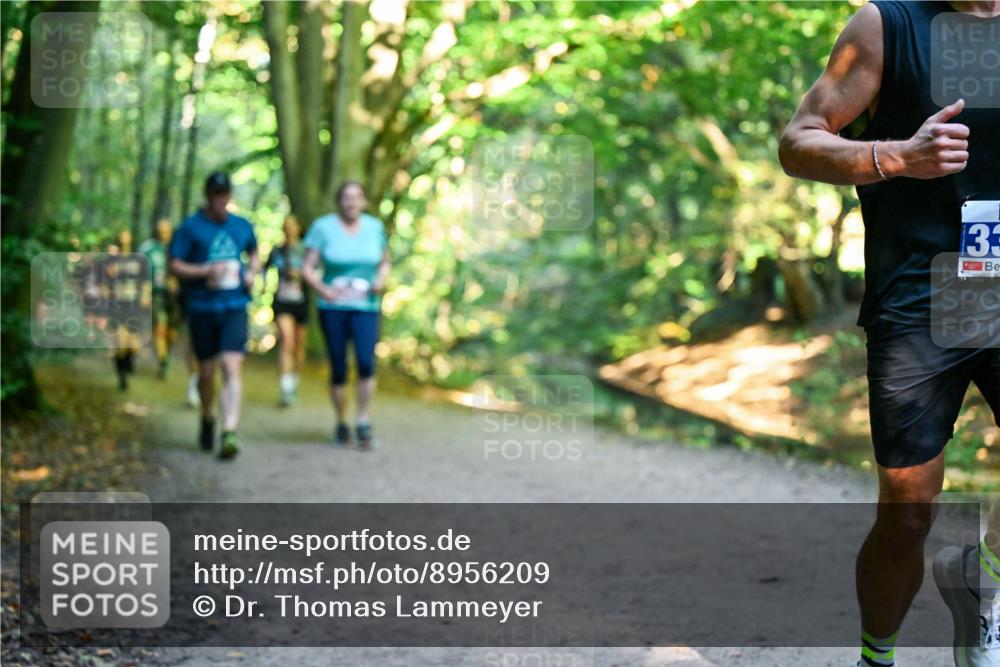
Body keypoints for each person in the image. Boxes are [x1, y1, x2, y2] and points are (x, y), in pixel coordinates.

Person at [779, 2, 1000, 666]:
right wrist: (898, 156)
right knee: (907, 514)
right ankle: (878, 655)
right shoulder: (886, 25)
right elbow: (798, 141)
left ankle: (981, 577)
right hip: (920, 298)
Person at [169, 172, 259, 459]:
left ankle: (229, 431)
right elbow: (175, 264)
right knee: (206, 374)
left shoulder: (241, 226)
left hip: (234, 307)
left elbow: (255, 253)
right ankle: (208, 416)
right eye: (216, 194)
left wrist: (252, 273)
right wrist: (205, 271)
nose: (221, 199)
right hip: (202, 308)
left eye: (225, 194)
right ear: (207, 196)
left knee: (232, 367)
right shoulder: (190, 228)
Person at [302, 181, 390, 449]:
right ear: (338, 201)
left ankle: (362, 420)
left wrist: (381, 281)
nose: (351, 202)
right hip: (333, 307)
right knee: (339, 366)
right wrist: (323, 289)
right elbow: (307, 267)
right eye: (346, 198)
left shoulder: (375, 228)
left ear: (364, 201)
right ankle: (341, 421)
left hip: (366, 306)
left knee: (366, 363)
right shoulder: (322, 227)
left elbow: (385, 261)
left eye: (356, 198)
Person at [263, 215, 309, 406]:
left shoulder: (306, 250)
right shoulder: (278, 250)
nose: (289, 229)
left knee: (298, 346)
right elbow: (264, 269)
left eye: (292, 226)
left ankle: (294, 380)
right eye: (286, 226)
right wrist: (263, 286)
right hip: (282, 302)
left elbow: (318, 272)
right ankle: (285, 387)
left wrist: (301, 275)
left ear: (298, 228)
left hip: (301, 302)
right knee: (287, 341)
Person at [105, 230, 149, 392]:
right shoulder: (111, 260)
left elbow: (145, 280)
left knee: (133, 344)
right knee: (120, 342)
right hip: (117, 306)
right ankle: (121, 375)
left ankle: (129, 362)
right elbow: (104, 283)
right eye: (121, 237)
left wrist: (145, 296)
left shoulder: (138, 259)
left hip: (134, 305)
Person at [138, 219, 181, 379]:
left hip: (174, 297)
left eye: (166, 231)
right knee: (160, 328)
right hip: (156, 293)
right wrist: (143, 291)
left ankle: (166, 356)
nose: (163, 234)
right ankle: (163, 361)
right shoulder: (148, 248)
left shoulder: (177, 247)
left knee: (172, 332)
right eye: (160, 231)